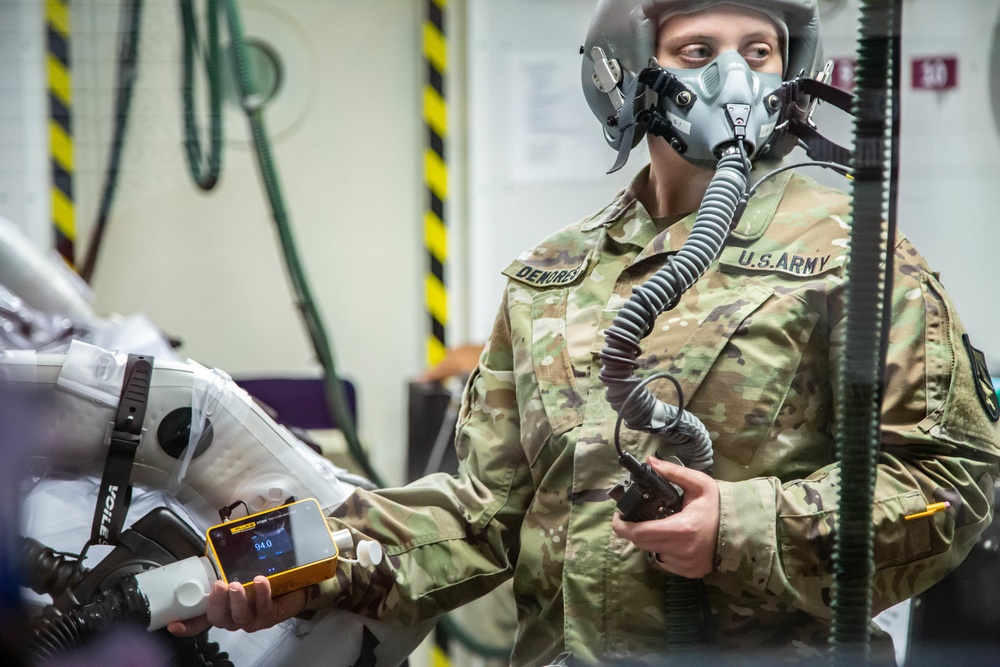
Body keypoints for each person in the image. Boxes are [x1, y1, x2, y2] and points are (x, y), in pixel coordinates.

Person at [170, 1, 1000, 664]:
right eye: (699, 50)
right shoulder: (551, 274)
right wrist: (320, 568)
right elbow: (485, 515)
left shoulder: (853, 253)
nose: (735, 78)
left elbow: (954, 481)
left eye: (759, 52)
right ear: (630, 77)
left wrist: (743, 527)